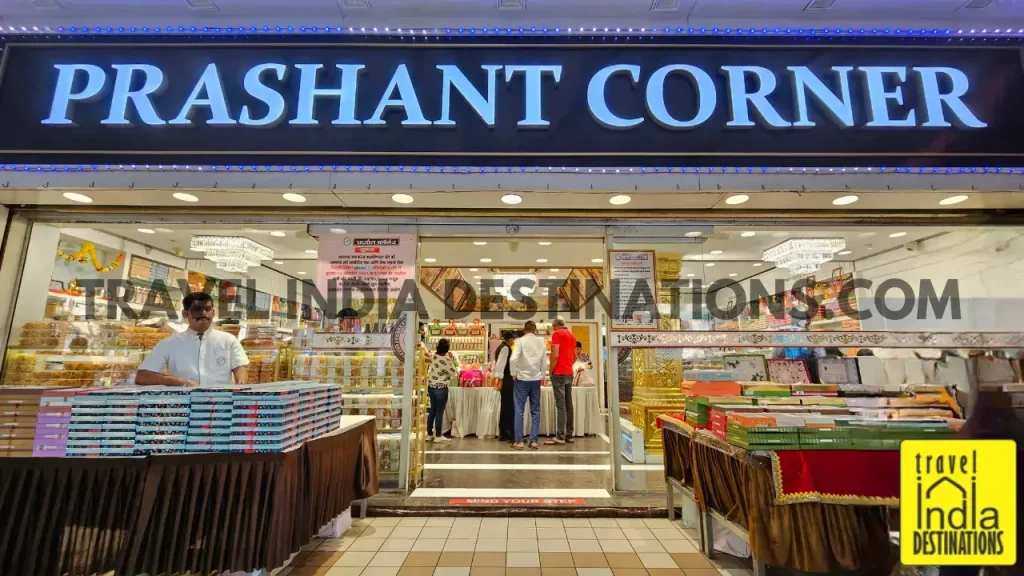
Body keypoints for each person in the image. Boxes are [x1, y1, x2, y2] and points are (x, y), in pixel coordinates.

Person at [136, 292, 249, 387]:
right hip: (182, 405)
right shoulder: (169, 343)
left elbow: (239, 368)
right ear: (185, 313)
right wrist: (180, 382)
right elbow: (142, 376)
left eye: (207, 309)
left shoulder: (228, 340)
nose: (204, 313)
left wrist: (240, 386)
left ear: (213, 313)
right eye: (197, 310)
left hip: (220, 404)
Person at [510, 321, 546, 450]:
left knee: (519, 410)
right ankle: (534, 440)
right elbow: (543, 360)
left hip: (522, 378)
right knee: (535, 410)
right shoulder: (541, 341)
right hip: (536, 378)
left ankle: (519, 441)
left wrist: (513, 373)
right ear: (535, 330)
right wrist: (542, 375)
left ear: (524, 329)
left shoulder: (519, 341)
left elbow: (513, 359)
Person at [547, 317, 577, 445]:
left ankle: (560, 436)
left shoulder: (557, 334)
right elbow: (575, 355)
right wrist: (568, 364)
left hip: (558, 373)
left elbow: (555, 355)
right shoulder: (572, 335)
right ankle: (569, 435)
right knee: (568, 404)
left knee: (561, 405)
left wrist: (551, 370)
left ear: (555, 325)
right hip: (569, 372)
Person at [425, 338, 457, 444]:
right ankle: (438, 435)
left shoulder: (433, 356)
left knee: (432, 411)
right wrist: (452, 360)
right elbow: (454, 373)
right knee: (439, 411)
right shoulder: (446, 359)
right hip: (441, 387)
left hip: (431, 386)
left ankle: (429, 434)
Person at [492, 330, 518, 442]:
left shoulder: (502, 347)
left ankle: (504, 432)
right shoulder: (505, 348)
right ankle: (508, 432)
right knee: (508, 407)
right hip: (507, 380)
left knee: (505, 406)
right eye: (513, 339)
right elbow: (500, 365)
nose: (514, 341)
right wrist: (500, 379)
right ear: (509, 339)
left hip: (506, 379)